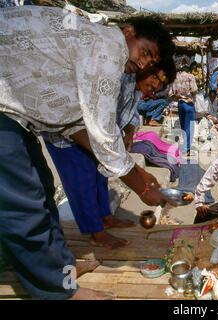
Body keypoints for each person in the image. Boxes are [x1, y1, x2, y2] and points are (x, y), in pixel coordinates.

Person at [0, 6, 176, 300]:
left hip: (14, 113)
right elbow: (103, 134)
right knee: (25, 205)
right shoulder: (109, 46)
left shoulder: (92, 43)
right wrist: (143, 187)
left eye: (150, 60)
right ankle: (60, 291)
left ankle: (57, 269)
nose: (141, 63)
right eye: (145, 52)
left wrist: (139, 173)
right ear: (128, 32)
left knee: (41, 189)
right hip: (5, 110)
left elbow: (79, 126)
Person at [43, 61, 176, 250]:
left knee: (100, 177)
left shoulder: (135, 87)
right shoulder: (119, 78)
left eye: (160, 84)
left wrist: (129, 130)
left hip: (97, 138)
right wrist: (142, 185)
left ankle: (106, 218)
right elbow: (108, 145)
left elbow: (128, 116)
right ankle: (96, 233)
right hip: (69, 136)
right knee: (83, 183)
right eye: (154, 77)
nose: (155, 85)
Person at [169, 66, 198, 156]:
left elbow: (171, 93)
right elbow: (194, 90)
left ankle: (185, 147)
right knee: (189, 127)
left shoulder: (176, 77)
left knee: (184, 126)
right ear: (188, 70)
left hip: (180, 104)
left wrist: (179, 95)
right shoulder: (190, 76)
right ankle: (186, 149)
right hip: (189, 104)